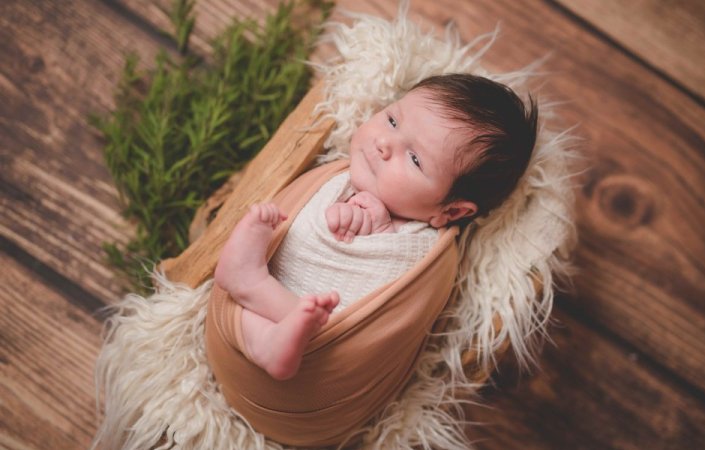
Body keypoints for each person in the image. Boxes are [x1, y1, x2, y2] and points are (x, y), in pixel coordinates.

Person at [214, 73, 538, 380]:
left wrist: (381, 232)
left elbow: (386, 308)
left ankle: (254, 289)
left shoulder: (428, 251)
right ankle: (259, 306)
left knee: (321, 325)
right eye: (393, 120)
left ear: (451, 211)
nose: (384, 143)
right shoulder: (336, 180)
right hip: (243, 329)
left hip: (316, 370)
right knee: (305, 318)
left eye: (414, 159)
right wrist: (346, 220)